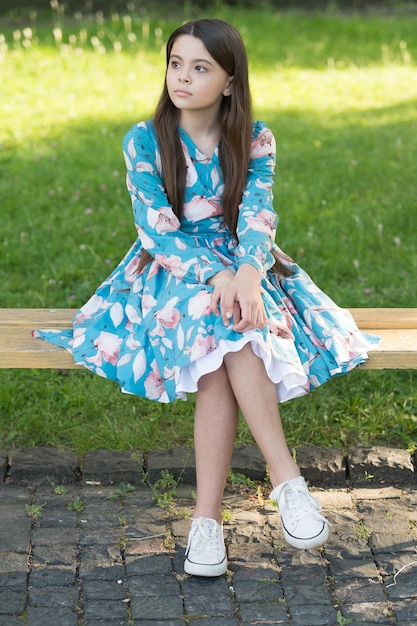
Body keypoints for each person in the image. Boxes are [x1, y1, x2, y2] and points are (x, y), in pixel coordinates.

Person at [34, 18, 378, 577]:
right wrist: (217, 278)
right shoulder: (145, 140)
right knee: (228, 328)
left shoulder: (254, 137)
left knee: (227, 343)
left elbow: (259, 213)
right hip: (170, 270)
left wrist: (246, 270)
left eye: (200, 67)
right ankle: (285, 479)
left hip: (242, 263)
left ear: (229, 81)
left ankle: (206, 525)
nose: (183, 78)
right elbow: (157, 230)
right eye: (176, 64)